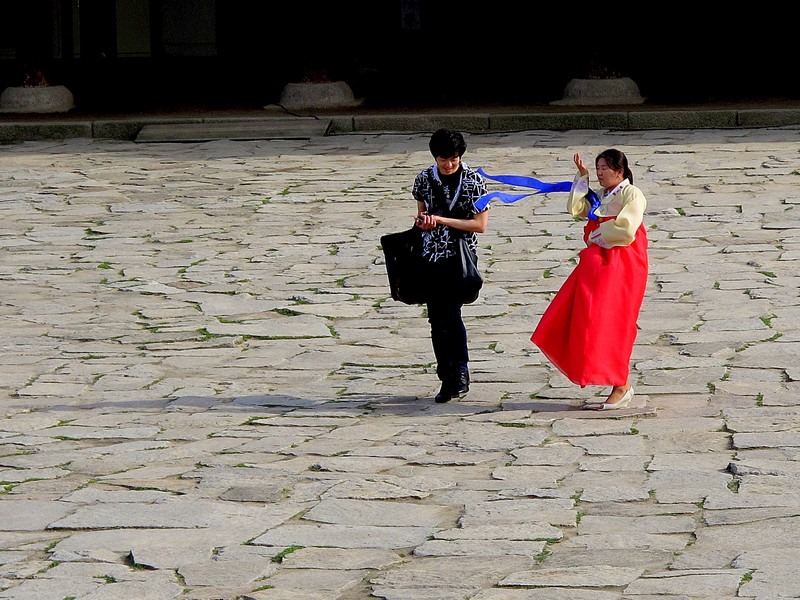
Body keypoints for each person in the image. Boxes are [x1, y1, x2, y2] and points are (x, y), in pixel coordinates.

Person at [531, 149, 648, 410]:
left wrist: (598, 235)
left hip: (622, 261)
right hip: (598, 262)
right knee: (584, 315)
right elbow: (578, 209)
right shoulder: (605, 196)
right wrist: (582, 178)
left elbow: (627, 229)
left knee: (614, 320)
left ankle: (621, 384)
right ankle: (612, 377)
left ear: (620, 171)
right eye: (597, 169)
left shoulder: (632, 194)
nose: (600, 173)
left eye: (605, 168)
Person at [412, 128, 489, 403]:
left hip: (460, 256)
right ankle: (447, 374)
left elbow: (480, 225)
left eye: (454, 158)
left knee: (451, 315)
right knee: (436, 318)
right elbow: (420, 215)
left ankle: (458, 373)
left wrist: (444, 220)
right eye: (444, 159)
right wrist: (424, 221)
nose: (449, 164)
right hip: (430, 255)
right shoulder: (423, 180)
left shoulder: (474, 181)